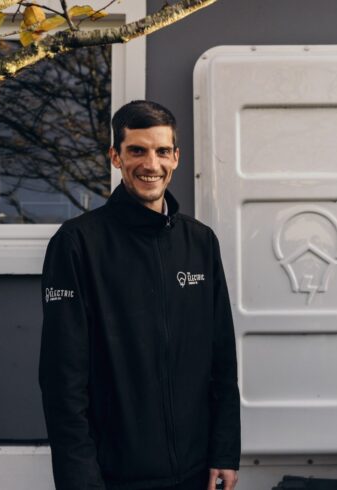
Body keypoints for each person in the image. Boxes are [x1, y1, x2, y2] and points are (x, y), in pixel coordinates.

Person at [39, 100, 240, 490]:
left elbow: (221, 358)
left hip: (196, 472)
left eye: (162, 151)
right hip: (114, 476)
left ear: (177, 157)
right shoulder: (77, 244)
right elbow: (62, 379)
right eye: (137, 150)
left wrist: (224, 451)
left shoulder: (199, 242)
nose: (151, 164)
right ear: (115, 156)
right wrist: (79, 479)